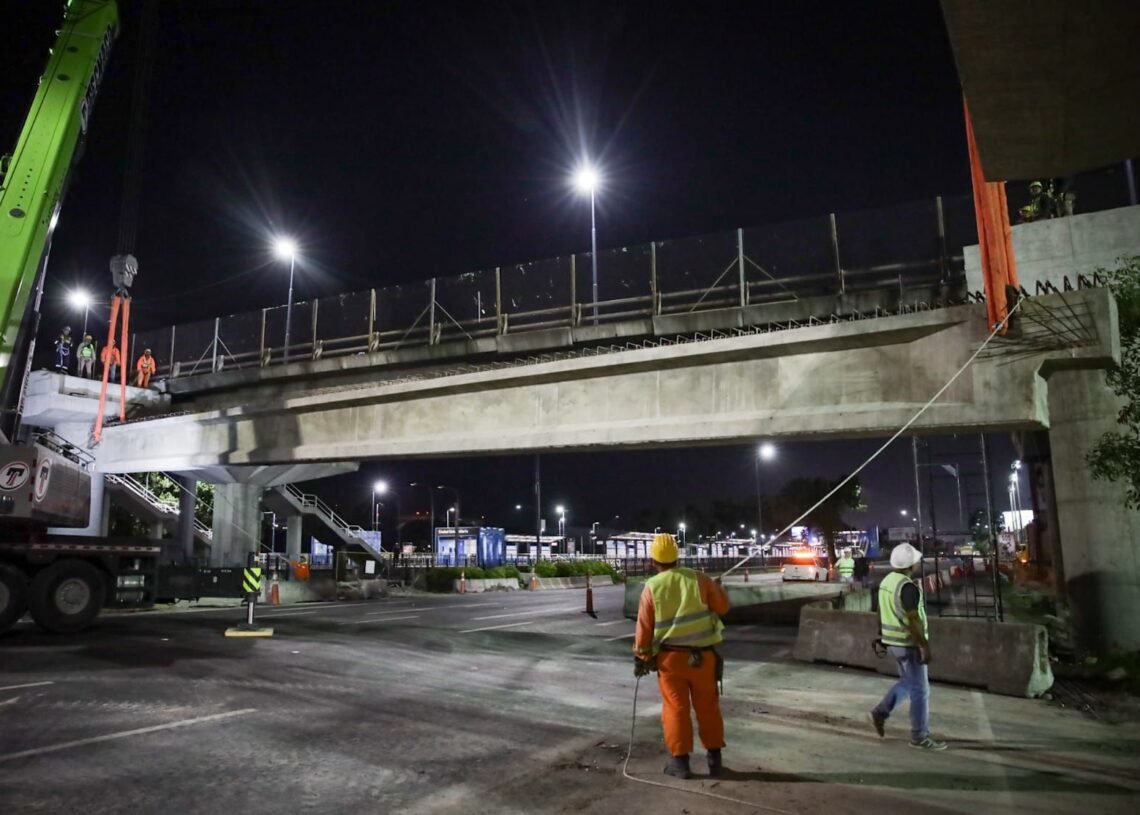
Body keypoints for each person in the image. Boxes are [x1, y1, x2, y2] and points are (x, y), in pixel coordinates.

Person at [634, 533, 730, 779]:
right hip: (704, 658)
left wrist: (643, 656)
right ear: (677, 555)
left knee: (676, 709)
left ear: (653, 559)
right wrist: (715, 588)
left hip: (671, 661)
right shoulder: (700, 579)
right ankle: (715, 761)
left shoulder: (652, 587)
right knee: (708, 707)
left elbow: (644, 629)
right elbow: (723, 608)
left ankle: (680, 764)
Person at [869, 542, 947, 751]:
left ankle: (881, 711)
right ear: (912, 564)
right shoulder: (907, 587)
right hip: (908, 644)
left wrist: (881, 635)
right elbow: (913, 620)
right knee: (921, 691)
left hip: (893, 644)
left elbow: (879, 611)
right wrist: (925, 646)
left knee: (908, 683)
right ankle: (919, 736)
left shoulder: (887, 582)